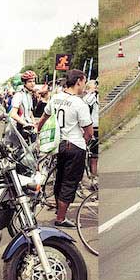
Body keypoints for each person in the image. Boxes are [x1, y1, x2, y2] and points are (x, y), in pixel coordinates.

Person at [37, 69, 93, 228]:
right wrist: (84, 142)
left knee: (59, 179)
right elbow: (88, 131)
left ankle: (58, 211)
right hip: (74, 145)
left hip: (58, 145)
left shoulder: (55, 98)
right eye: (84, 81)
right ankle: (61, 218)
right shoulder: (79, 103)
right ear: (78, 81)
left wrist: (39, 132)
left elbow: (43, 118)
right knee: (70, 182)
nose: (84, 85)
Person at [10, 70, 37, 139]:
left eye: (33, 81)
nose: (32, 84)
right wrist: (25, 124)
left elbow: (30, 113)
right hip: (20, 127)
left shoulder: (29, 95)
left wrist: (35, 124)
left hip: (29, 127)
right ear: (24, 83)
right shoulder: (19, 95)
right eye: (29, 82)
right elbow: (13, 114)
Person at [83, 79, 99, 179]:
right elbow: (86, 104)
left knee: (94, 155)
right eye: (95, 85)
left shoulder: (94, 96)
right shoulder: (90, 97)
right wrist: (92, 93)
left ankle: (93, 175)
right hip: (92, 127)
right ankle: (93, 176)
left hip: (95, 126)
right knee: (93, 155)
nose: (97, 87)